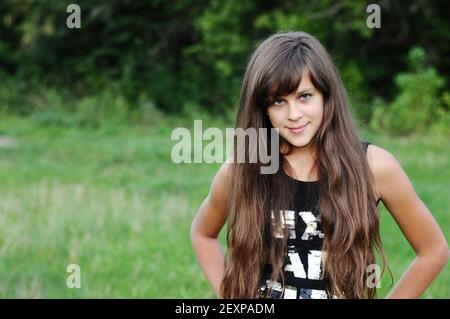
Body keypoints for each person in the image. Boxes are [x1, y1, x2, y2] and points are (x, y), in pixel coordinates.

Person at [190, 31, 449, 299]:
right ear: (262, 108)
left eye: (304, 96)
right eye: (279, 101)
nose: (293, 114)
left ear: (326, 94)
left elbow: (433, 250)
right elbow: (202, 233)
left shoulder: (374, 167)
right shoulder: (244, 169)